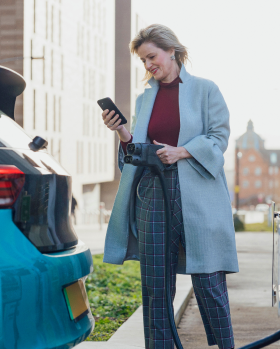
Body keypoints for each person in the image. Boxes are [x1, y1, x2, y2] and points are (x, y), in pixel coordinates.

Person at [102, 24, 238, 349]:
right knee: (155, 285)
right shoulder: (144, 99)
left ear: (172, 51)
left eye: (152, 56)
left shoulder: (206, 90)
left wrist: (183, 151)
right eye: (143, 61)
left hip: (198, 196)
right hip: (153, 194)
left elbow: (219, 138)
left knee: (209, 280)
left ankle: (225, 345)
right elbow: (137, 152)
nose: (148, 65)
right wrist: (122, 133)